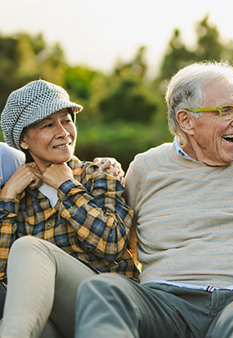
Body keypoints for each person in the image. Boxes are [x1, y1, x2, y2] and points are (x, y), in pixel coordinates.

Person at [75, 61, 233, 338]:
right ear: (186, 120)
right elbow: (126, 236)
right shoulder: (146, 168)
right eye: (226, 111)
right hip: (166, 301)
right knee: (103, 290)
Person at [0, 80, 139, 338]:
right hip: (51, 313)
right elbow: (4, 277)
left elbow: (113, 244)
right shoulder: (19, 194)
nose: (63, 131)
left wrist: (67, 187)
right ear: (23, 141)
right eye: (48, 125)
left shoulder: (98, 175)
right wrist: (7, 197)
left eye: (67, 120)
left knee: (29, 247)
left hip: (106, 306)